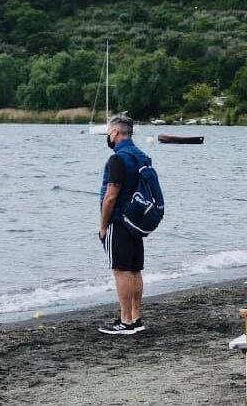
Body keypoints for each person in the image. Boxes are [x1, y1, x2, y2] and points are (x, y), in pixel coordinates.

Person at [98, 115, 149, 335]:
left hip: (119, 220)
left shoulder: (118, 159)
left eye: (109, 131)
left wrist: (103, 224)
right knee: (135, 269)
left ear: (116, 133)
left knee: (121, 270)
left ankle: (125, 320)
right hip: (137, 221)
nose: (108, 135)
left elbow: (111, 195)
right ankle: (136, 317)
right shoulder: (142, 156)